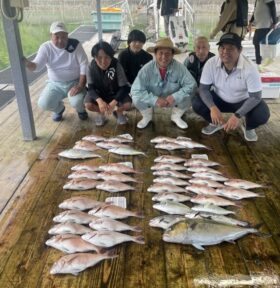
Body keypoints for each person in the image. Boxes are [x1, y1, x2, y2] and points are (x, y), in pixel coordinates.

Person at [192, 32, 270, 142]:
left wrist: (237, 115)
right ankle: (215, 123)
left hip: (242, 101)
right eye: (222, 48)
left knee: (262, 113)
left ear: (240, 50)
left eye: (230, 48)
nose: (225, 52)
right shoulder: (211, 63)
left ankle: (248, 126)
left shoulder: (250, 68)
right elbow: (203, 89)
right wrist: (212, 107)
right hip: (220, 99)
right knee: (197, 102)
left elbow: (256, 97)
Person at [24, 21, 88, 122]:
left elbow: (84, 64)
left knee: (77, 102)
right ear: (51, 36)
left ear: (67, 35)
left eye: (63, 36)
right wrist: (27, 63)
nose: (60, 40)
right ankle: (59, 109)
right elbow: (36, 66)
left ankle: (81, 110)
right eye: (56, 37)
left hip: (74, 82)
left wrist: (80, 85)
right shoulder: (45, 47)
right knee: (43, 103)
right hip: (55, 84)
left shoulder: (75, 44)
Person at [131, 37, 196, 129]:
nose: (164, 57)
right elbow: (135, 90)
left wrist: (175, 96)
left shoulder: (180, 68)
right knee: (136, 98)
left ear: (173, 55)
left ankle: (176, 116)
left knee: (191, 93)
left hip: (172, 100)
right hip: (153, 99)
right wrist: (155, 100)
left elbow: (192, 85)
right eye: (160, 53)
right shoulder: (146, 69)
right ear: (155, 54)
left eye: (168, 54)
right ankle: (147, 116)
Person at [84, 41, 131, 126]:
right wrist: (99, 101)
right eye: (99, 58)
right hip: (99, 93)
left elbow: (124, 87)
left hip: (115, 93)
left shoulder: (117, 65)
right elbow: (90, 88)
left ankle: (118, 112)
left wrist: (114, 103)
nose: (103, 61)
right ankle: (101, 112)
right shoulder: (90, 66)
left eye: (107, 57)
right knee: (88, 104)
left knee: (127, 104)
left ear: (111, 57)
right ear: (94, 57)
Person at [248, 0, 277, 64]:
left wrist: (274, 22)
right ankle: (259, 64)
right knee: (256, 44)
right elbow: (255, 11)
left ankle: (263, 64)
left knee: (262, 47)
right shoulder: (257, 1)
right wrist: (250, 21)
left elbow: (272, 6)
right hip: (258, 27)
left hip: (266, 26)